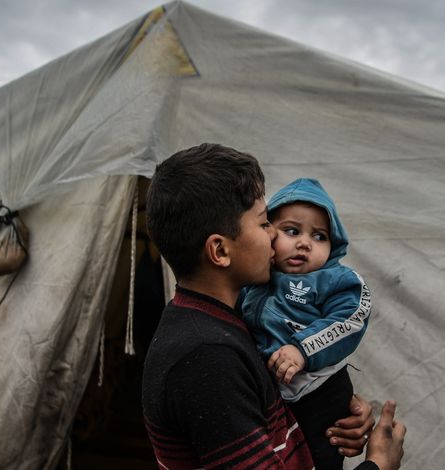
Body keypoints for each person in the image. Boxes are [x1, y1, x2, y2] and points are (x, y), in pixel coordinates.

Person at [141, 143, 405, 469]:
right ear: (220, 251)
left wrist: (332, 408)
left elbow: (262, 412)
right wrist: (379, 464)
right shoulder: (206, 356)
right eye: (265, 223)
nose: (273, 237)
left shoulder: (226, 324)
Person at [241, 178, 370, 469]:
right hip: (275, 394)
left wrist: (302, 350)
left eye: (320, 236)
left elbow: (350, 320)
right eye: (291, 230)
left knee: (320, 455)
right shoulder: (254, 280)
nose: (304, 243)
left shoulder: (336, 281)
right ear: (267, 232)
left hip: (319, 390)